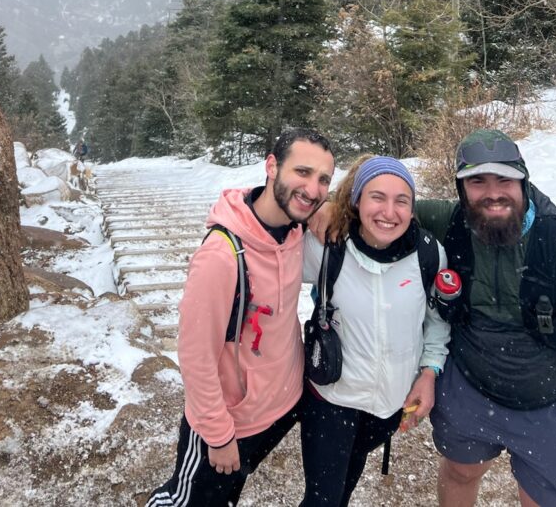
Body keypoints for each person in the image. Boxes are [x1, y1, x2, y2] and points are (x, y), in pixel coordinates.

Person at [146, 127, 336, 507]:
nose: (313, 189)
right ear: (271, 167)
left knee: (228, 496)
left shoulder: (296, 228)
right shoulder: (221, 255)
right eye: (302, 172)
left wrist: (328, 207)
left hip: (281, 408)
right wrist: (217, 435)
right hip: (232, 421)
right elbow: (196, 356)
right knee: (187, 501)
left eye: (323, 180)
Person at [416, 129, 556, 507]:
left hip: (548, 403)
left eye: (505, 179)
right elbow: (385, 207)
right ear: (461, 189)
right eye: (477, 181)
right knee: (460, 471)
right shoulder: (451, 222)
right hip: (468, 390)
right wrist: (323, 211)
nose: (493, 193)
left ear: (523, 182)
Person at [300, 155, 450, 507]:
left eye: (402, 201)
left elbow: (437, 321)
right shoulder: (327, 244)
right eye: (377, 197)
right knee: (323, 500)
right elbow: (268, 240)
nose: (389, 212)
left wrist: (429, 371)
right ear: (355, 201)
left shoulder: (428, 254)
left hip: (388, 406)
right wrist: (316, 210)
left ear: (412, 208)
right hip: (331, 400)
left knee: (345, 486)